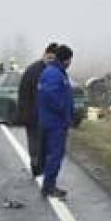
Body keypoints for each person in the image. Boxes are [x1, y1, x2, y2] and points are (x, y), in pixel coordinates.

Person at [37, 44, 74, 199]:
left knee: (53, 154)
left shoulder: (55, 72)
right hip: (55, 122)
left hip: (54, 120)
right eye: (70, 59)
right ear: (65, 59)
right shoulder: (54, 74)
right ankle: (49, 186)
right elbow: (51, 96)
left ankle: (49, 184)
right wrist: (62, 109)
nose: (71, 62)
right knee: (55, 154)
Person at [18, 43, 58, 177]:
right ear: (45, 55)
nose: (51, 61)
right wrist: (24, 114)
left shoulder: (55, 72)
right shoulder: (33, 70)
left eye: (54, 59)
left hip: (47, 116)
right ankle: (36, 166)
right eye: (49, 58)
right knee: (35, 142)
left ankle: (42, 166)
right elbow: (23, 94)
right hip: (33, 115)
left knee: (46, 143)